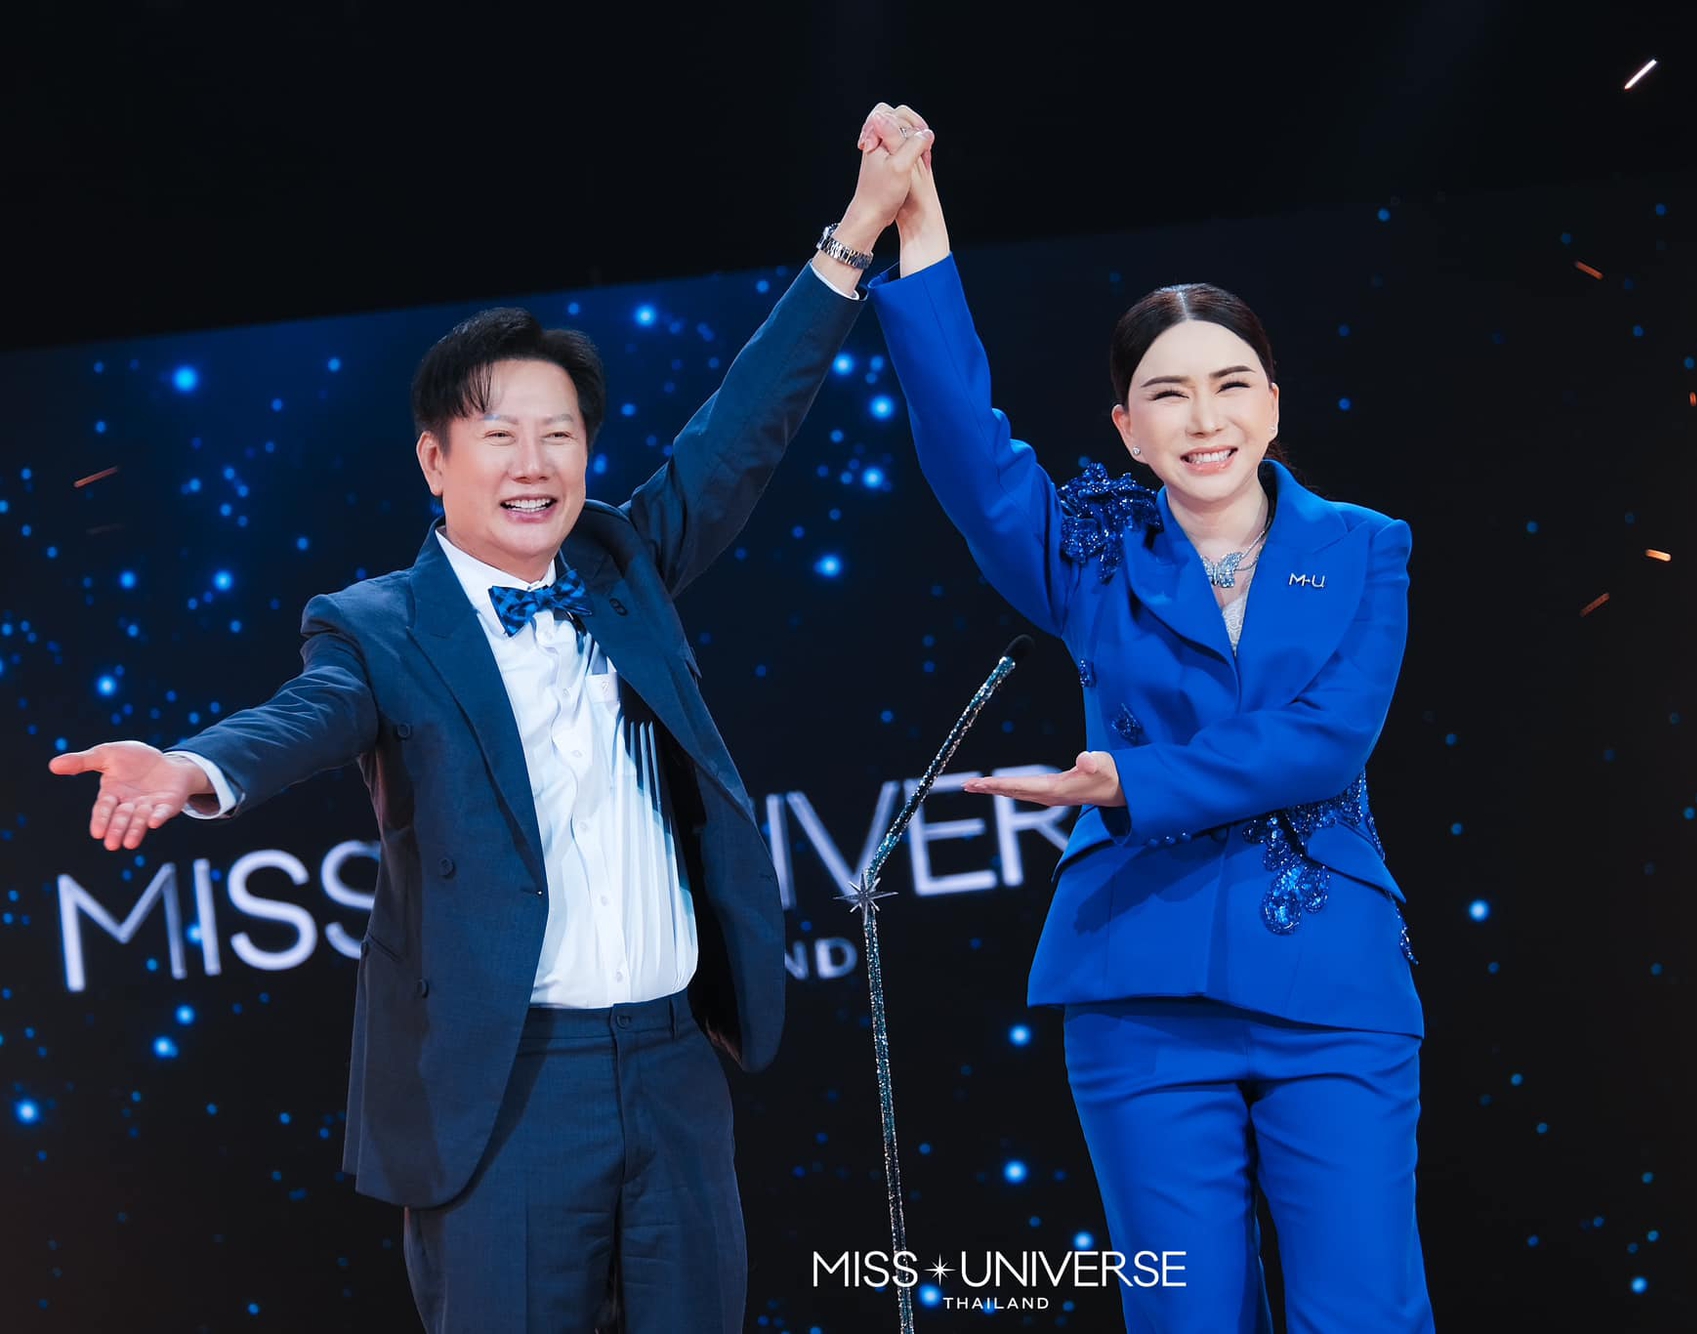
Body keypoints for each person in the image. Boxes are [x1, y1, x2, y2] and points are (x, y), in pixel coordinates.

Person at [48, 104, 936, 1334]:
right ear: (434, 461)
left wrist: (856, 232)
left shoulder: (623, 562)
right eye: (500, 435)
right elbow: (306, 715)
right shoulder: (378, 625)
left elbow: (742, 428)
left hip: (674, 1071)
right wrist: (194, 764)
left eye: (559, 434)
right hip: (507, 1091)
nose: (534, 462)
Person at [861, 108, 1434, 1332]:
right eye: (1165, 394)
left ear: (1271, 403)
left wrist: (1127, 781)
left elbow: (1326, 739)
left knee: (1363, 1311)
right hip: (1139, 984)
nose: (1202, 417)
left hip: (1331, 980)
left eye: (1228, 384)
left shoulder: (1364, 547)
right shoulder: (1089, 548)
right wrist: (923, 238)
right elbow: (969, 455)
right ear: (1125, 427)